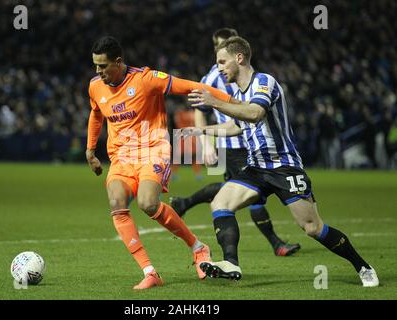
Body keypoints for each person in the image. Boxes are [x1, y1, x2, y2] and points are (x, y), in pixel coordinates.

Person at [182, 36, 379, 287]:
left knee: (312, 227)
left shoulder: (264, 82)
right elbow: (237, 125)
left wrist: (214, 102)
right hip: (256, 168)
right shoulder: (241, 94)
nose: (219, 68)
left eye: (222, 62)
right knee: (221, 203)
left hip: (284, 167)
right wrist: (203, 131)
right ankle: (231, 262)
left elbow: (255, 114)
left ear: (239, 58)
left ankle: (362, 266)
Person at [85, 36, 234, 290]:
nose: (98, 72)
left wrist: (234, 103)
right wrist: (90, 150)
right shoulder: (95, 86)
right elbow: (96, 113)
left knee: (147, 203)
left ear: (118, 62)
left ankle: (198, 248)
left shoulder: (146, 80)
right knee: (116, 202)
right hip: (122, 156)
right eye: (95, 66)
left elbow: (191, 86)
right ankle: (150, 272)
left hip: (153, 150)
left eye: (103, 66)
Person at [171, 28, 300, 257]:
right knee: (252, 191)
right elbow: (200, 110)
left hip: (251, 140)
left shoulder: (251, 77)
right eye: (221, 46)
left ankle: (185, 203)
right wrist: (206, 143)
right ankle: (275, 244)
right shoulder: (211, 78)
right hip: (231, 144)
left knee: (237, 189)